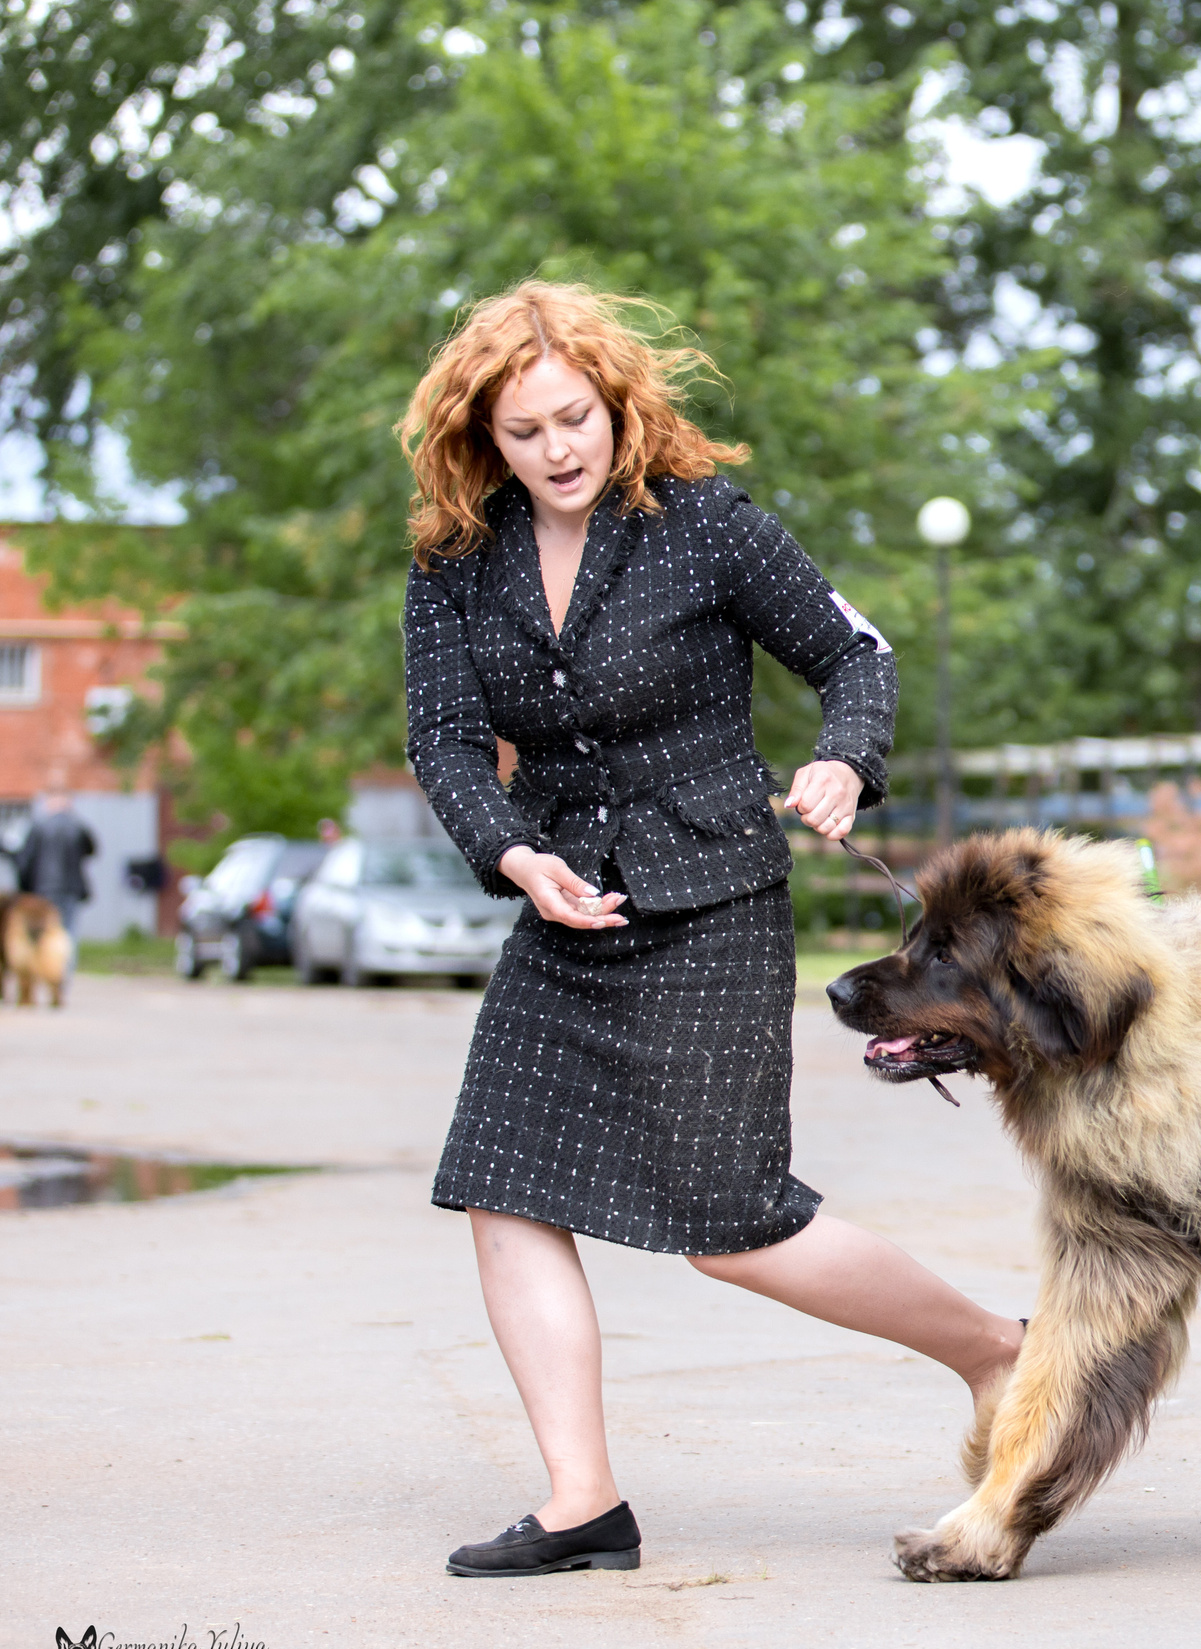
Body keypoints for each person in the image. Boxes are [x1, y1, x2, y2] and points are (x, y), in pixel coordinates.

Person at [400, 282, 1020, 1578]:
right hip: (562, 909)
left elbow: (857, 655)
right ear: (484, 441)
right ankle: (584, 1502)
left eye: (576, 417)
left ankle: (996, 1352)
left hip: (716, 905)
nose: (559, 448)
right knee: (502, 1190)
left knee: (729, 1225)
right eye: (526, 431)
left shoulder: (705, 529)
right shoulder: (457, 568)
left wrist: (846, 759)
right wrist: (512, 852)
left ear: (621, 406)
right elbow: (447, 740)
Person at [15, 788, 97, 971]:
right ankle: (63, 975)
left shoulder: (38, 825)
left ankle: (42, 972)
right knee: (68, 933)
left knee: (42, 932)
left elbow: (25, 861)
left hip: (42, 889)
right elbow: (92, 850)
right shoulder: (78, 826)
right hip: (71, 889)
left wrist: (24, 889)